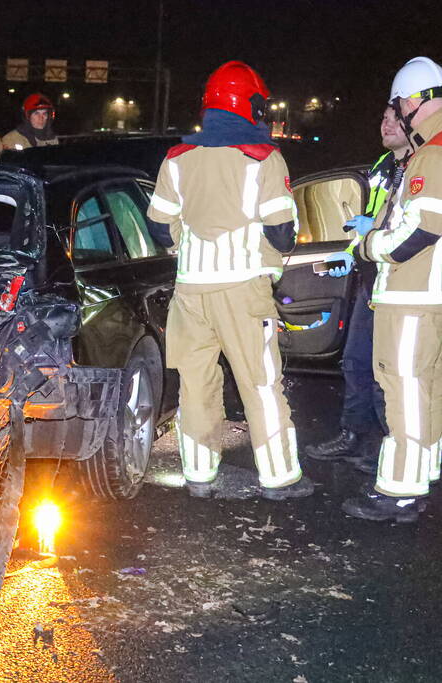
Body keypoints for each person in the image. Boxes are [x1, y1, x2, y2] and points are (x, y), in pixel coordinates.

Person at [145, 60, 313, 500]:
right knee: (260, 384)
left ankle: (198, 474)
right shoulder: (263, 159)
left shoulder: (177, 159)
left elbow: (160, 227)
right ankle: (279, 477)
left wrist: (187, 248)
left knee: (196, 383)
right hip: (243, 291)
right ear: (251, 105)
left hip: (190, 294)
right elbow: (281, 230)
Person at [343, 56, 442, 523]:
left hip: (413, 297)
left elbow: (419, 232)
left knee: (403, 389)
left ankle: (400, 491)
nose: (396, 111)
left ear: (414, 101)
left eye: (399, 102)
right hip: (428, 296)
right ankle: (423, 472)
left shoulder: (433, 153)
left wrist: (368, 244)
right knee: (427, 391)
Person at [305, 108, 411, 472]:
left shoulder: (423, 164)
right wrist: (350, 254)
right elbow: (371, 219)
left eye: (395, 118)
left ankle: (385, 445)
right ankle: (353, 435)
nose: (385, 123)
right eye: (382, 116)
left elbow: (409, 229)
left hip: (403, 285)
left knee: (389, 374)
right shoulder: (385, 164)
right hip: (372, 280)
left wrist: (372, 235)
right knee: (355, 362)